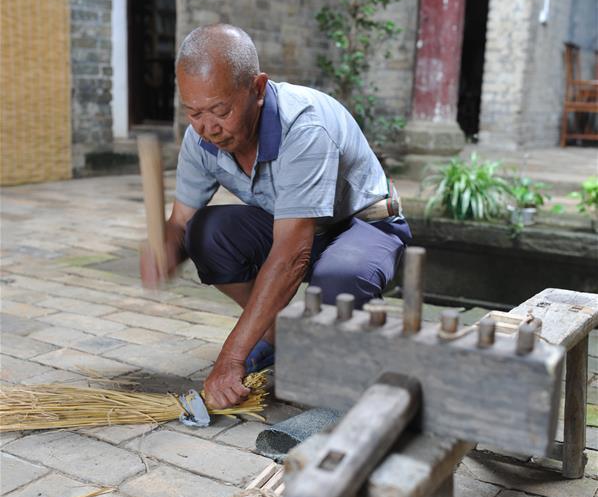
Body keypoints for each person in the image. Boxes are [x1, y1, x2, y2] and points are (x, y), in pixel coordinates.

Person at [140, 24, 411, 409]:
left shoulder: (305, 125)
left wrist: (232, 357)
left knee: (337, 279)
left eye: (221, 110)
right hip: (295, 227)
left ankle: (339, 348)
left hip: (363, 225)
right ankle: (277, 334)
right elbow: (181, 222)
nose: (208, 127)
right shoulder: (201, 137)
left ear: (258, 88)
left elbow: (291, 254)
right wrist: (164, 248)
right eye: (194, 112)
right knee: (204, 234)